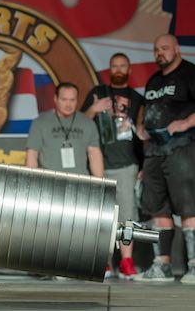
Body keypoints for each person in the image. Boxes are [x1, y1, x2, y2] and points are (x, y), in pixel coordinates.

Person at [133, 34, 195, 283]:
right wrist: (141, 127)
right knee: (157, 209)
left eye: (165, 48)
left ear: (177, 49)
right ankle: (163, 266)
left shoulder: (190, 73)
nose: (160, 52)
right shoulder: (153, 81)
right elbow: (145, 111)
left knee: (189, 206)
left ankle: (194, 265)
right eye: (156, 49)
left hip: (182, 149)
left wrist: (185, 122)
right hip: (154, 153)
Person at [80, 53, 144, 280]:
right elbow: (79, 123)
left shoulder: (137, 99)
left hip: (127, 165)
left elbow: (142, 134)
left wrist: (143, 164)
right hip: (98, 166)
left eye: (122, 66)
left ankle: (127, 262)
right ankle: (103, 263)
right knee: (100, 217)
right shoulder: (97, 93)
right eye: (114, 66)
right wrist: (94, 109)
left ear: (128, 69)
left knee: (127, 216)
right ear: (109, 69)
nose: (118, 69)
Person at [26, 82, 104, 177]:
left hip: (80, 181)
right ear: (55, 99)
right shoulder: (40, 122)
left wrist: (100, 182)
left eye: (72, 100)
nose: (68, 104)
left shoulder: (87, 123)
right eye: (64, 100)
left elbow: (94, 154)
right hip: (50, 181)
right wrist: (30, 183)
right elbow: (32, 155)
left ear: (77, 100)